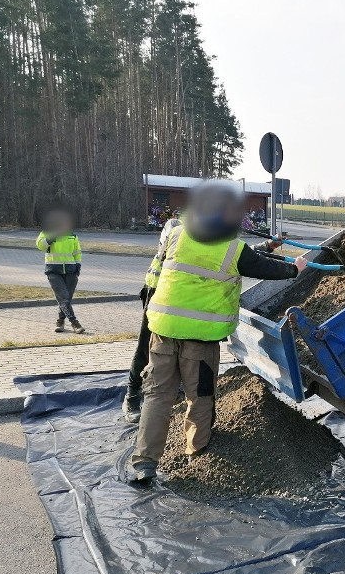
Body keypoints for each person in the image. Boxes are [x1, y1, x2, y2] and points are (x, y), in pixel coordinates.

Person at [131, 180, 306, 481]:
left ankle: (144, 463)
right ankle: (198, 453)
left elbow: (237, 257)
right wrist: (295, 268)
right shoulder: (231, 248)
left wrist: (267, 246)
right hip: (199, 339)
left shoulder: (177, 233)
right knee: (199, 396)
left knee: (157, 396)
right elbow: (261, 266)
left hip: (162, 330)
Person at [121, 216, 183, 423]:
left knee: (177, 347)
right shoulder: (176, 230)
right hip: (156, 295)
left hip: (177, 298)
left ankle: (171, 389)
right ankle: (132, 395)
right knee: (146, 347)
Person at [36, 208, 85, 334]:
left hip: (71, 271)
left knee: (66, 299)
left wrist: (77, 266)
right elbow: (40, 245)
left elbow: (77, 252)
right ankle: (75, 323)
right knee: (63, 298)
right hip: (53, 270)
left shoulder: (72, 235)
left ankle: (60, 321)